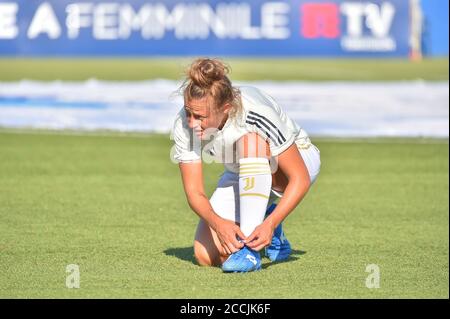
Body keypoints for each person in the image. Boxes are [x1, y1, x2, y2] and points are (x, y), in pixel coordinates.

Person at [171, 58, 321, 272]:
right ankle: (262, 220)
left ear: (226, 108)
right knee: (205, 255)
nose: (191, 123)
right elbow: (194, 192)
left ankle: (251, 250)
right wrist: (218, 223)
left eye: (200, 117)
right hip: (242, 172)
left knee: (251, 141)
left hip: (294, 167)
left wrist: (270, 224)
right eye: (188, 113)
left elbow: (300, 178)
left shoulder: (253, 113)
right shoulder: (183, 125)